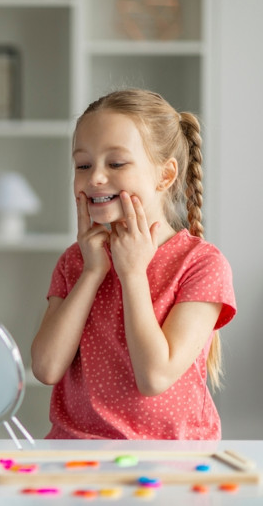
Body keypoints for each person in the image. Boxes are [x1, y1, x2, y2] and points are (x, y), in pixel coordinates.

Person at [30, 89, 235, 440]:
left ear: (165, 175)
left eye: (116, 163)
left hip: (171, 459)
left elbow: (154, 377)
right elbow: (46, 368)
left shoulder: (201, 264)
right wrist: (92, 273)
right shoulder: (77, 262)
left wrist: (132, 274)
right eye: (83, 164)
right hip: (75, 453)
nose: (94, 178)